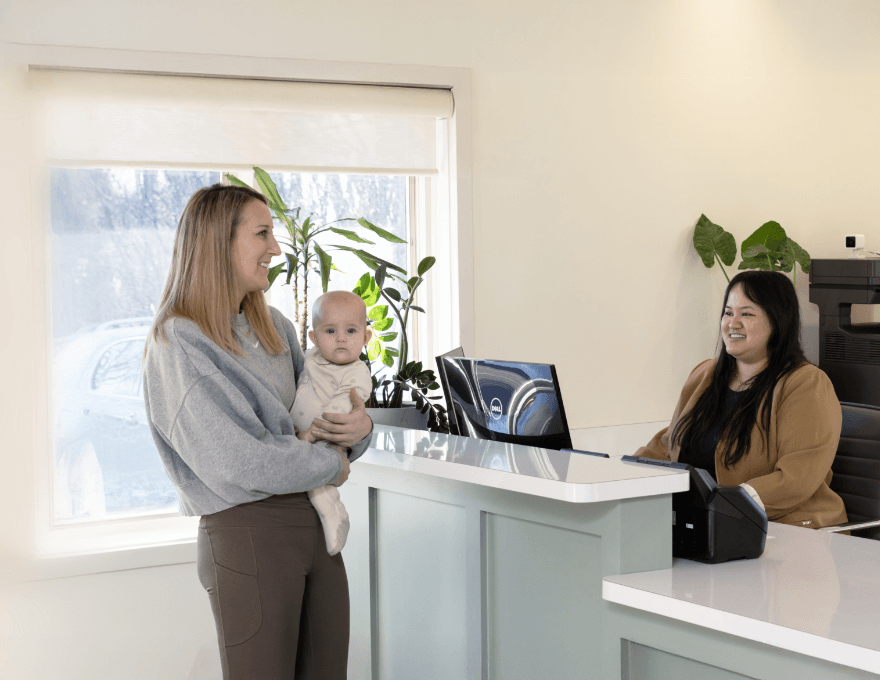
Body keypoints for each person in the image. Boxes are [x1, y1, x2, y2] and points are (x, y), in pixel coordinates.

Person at [142, 184, 373, 680]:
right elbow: (238, 462)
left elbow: (315, 417)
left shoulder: (275, 327)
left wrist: (359, 428)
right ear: (217, 243)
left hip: (315, 524)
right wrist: (335, 462)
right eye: (262, 233)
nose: (276, 248)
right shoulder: (179, 341)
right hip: (247, 531)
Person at [635, 270, 847, 529]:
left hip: (789, 530)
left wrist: (721, 504)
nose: (732, 323)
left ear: (777, 321)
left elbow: (795, 479)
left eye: (746, 314)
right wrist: (629, 477)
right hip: (713, 524)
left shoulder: (805, 384)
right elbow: (669, 446)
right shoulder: (705, 374)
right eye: (728, 312)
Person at [290, 290, 373, 556]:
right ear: (313, 338)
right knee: (315, 485)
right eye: (329, 332)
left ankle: (336, 521)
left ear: (365, 337)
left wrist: (312, 434)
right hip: (301, 437)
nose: (340, 339)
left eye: (351, 331)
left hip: (324, 440)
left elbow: (341, 410)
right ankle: (333, 513)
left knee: (318, 488)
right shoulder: (313, 357)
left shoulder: (357, 373)